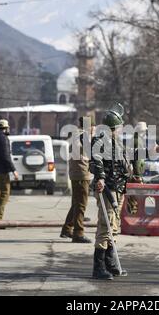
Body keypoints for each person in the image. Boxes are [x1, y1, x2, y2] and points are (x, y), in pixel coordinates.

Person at [90, 103, 130, 280]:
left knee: (114, 226)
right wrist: (100, 177)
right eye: (119, 127)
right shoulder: (100, 141)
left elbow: (123, 163)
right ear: (113, 127)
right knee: (105, 226)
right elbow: (96, 160)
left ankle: (110, 262)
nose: (121, 129)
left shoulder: (117, 142)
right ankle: (98, 267)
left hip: (119, 187)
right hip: (107, 188)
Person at [60, 116, 95, 243]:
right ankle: (78, 233)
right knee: (81, 204)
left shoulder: (77, 136)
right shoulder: (82, 136)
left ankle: (67, 229)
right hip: (81, 173)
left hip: (77, 173)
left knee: (76, 203)